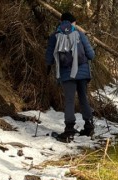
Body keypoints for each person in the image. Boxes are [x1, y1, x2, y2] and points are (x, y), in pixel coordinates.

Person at [45, 12, 95, 142]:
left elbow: (49, 58)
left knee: (69, 101)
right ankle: (89, 127)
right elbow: (91, 55)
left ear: (61, 21)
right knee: (84, 98)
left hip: (67, 74)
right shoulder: (79, 34)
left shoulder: (55, 36)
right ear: (72, 22)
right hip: (82, 73)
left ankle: (69, 131)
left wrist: (49, 65)